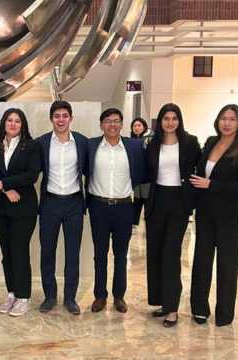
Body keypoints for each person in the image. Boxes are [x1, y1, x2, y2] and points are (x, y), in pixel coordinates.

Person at [190, 104, 238, 327]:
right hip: (206, 212)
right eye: (223, 118)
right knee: (201, 261)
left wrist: (212, 184)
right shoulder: (211, 142)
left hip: (229, 215)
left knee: (227, 265)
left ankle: (225, 314)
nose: (227, 123)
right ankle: (199, 309)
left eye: (232, 119)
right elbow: (200, 171)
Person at [144, 103, 201, 327]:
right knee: (156, 253)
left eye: (174, 118)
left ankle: (173, 308)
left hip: (179, 202)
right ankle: (163, 302)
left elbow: (201, 168)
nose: (170, 122)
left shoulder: (191, 142)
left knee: (171, 254)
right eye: (166, 118)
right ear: (160, 121)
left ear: (179, 120)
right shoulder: (153, 143)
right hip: (157, 202)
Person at [87, 108, 147, 314]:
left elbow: (143, 171)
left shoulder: (135, 146)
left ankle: (119, 296)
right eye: (107, 121)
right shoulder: (92, 145)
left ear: (122, 124)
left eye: (116, 121)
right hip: (99, 206)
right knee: (99, 253)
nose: (112, 125)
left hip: (124, 206)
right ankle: (100, 295)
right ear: (101, 125)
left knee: (121, 254)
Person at [0, 108, 41, 317]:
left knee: (19, 251)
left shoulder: (33, 146)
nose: (13, 124)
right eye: (10, 120)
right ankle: (11, 293)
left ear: (23, 125)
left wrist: (4, 183)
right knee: (6, 253)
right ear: (3, 123)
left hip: (24, 208)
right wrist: (5, 188)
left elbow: (32, 175)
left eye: (18, 121)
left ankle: (24, 297)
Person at [36, 101, 88, 315]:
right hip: (50, 203)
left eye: (64, 115)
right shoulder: (41, 143)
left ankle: (70, 297)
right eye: (56, 116)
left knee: (73, 252)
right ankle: (49, 296)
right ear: (51, 120)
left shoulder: (83, 142)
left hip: (75, 203)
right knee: (47, 252)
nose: (60, 119)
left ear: (71, 118)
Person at [130, 117, 154, 233]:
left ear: (144, 126)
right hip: (137, 177)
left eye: (139, 125)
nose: (137, 128)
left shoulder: (150, 139)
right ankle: (134, 222)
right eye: (134, 126)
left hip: (147, 176)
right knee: (137, 200)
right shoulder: (133, 140)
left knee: (147, 200)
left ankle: (149, 223)